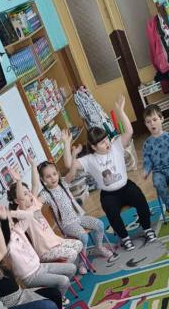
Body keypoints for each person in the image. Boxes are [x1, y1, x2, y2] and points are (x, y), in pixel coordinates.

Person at [63, 95, 156, 251]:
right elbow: (68, 164)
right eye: (102, 142)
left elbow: (129, 131)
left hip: (126, 186)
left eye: (106, 139)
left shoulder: (116, 145)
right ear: (94, 147)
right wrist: (66, 144)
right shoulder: (89, 159)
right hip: (109, 194)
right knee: (111, 212)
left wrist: (120, 111)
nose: (107, 143)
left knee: (140, 200)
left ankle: (147, 228)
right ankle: (125, 238)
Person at [38, 145, 115, 260]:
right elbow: (35, 203)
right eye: (48, 177)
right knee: (84, 237)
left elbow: (72, 171)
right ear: (43, 179)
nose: (53, 178)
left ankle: (99, 247)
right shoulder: (45, 194)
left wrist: (73, 153)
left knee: (99, 224)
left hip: (78, 217)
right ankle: (84, 261)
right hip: (67, 225)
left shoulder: (63, 183)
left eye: (54, 174)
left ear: (58, 173)